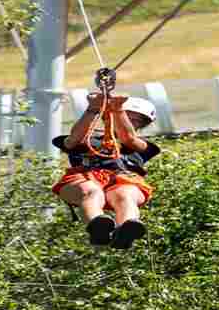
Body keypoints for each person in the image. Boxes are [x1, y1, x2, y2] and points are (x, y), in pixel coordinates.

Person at [51, 93, 161, 249]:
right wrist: (93, 108)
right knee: (91, 191)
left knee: (125, 194)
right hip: (84, 178)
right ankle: (98, 226)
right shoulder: (88, 140)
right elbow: (72, 140)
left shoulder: (142, 146)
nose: (129, 121)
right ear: (107, 117)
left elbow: (128, 138)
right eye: (128, 116)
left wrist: (118, 110)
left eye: (136, 120)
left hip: (123, 179)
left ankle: (126, 230)